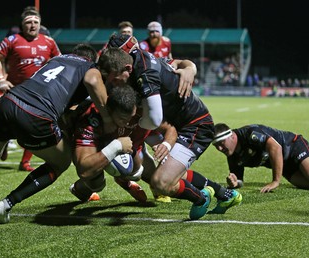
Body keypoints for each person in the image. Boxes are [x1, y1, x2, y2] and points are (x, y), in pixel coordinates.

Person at [0, 45, 133, 225]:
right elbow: (93, 80)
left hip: (7, 104)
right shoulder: (89, 67)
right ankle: (7, 204)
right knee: (61, 162)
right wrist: (106, 119)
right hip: (35, 115)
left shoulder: (56, 60)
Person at [108, 34, 242, 220]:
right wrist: (189, 67)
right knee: (168, 172)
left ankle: (201, 198)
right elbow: (178, 63)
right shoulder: (144, 59)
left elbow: (154, 119)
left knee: (161, 182)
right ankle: (223, 194)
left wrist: (190, 68)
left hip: (195, 126)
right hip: (177, 123)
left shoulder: (145, 72)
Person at [0, 6, 61, 171]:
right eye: (28, 22)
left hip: (38, 92)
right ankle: (4, 143)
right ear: (22, 25)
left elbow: (60, 62)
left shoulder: (49, 42)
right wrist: (1, 79)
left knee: (33, 125)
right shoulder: (12, 40)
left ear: (40, 24)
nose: (32, 25)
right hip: (14, 89)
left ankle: (25, 162)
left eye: (36, 22)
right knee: (5, 121)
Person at [68, 84, 150, 203]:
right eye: (122, 119)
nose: (127, 123)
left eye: (130, 117)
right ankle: (78, 189)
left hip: (117, 140)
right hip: (92, 146)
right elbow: (84, 169)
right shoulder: (92, 118)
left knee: (136, 173)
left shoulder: (138, 111)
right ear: (109, 112)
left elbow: (164, 126)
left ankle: (123, 181)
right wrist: (116, 146)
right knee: (96, 183)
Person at [212, 123, 309, 193]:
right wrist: (235, 183)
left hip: (294, 147)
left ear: (232, 136)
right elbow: (239, 180)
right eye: (216, 146)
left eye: (221, 143)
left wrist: (275, 181)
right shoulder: (233, 156)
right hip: (286, 167)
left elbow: (276, 148)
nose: (219, 148)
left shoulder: (249, 134)